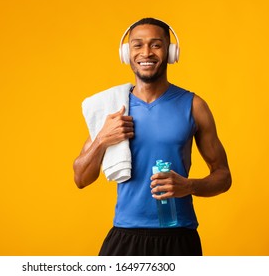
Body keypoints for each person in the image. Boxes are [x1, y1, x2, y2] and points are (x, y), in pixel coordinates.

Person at [73, 17, 231, 256]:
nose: (146, 52)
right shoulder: (114, 108)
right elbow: (81, 178)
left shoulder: (194, 106)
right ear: (127, 53)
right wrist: (102, 139)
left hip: (179, 237)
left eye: (156, 45)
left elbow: (223, 176)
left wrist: (188, 186)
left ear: (170, 51)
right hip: (125, 236)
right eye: (137, 45)